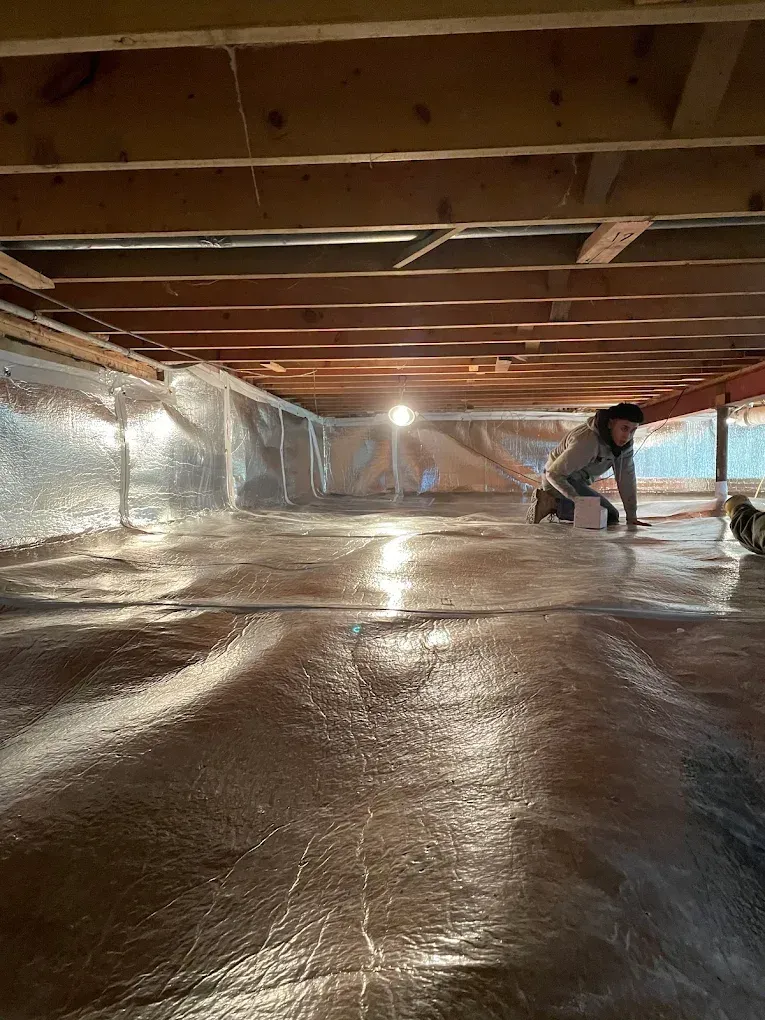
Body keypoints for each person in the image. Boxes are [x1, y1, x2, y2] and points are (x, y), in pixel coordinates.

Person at [527, 402, 651, 527]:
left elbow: (626, 479)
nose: (627, 436)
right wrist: (577, 501)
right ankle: (551, 502)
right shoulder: (588, 442)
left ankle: (559, 503)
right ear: (610, 424)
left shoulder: (625, 446)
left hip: (574, 481)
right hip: (556, 482)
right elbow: (553, 474)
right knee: (609, 516)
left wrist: (632, 516)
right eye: (624, 428)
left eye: (633, 430)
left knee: (610, 515)